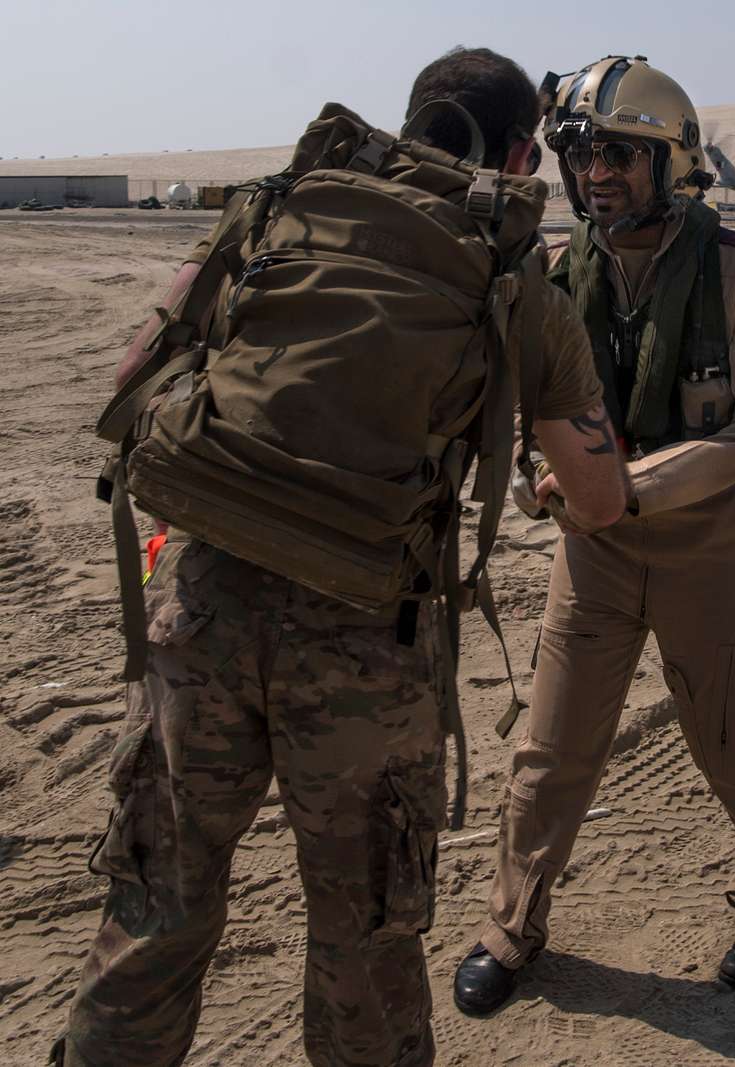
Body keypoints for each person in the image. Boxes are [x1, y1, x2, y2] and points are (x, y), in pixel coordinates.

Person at [55, 47, 626, 1067]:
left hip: (202, 609)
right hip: (369, 648)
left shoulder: (283, 210)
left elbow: (135, 379)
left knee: (155, 905)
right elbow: (597, 492)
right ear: (517, 150)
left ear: (413, 122)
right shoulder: (511, 275)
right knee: (362, 938)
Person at [452, 55, 735, 1014]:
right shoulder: (562, 274)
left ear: (671, 161)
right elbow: (542, 407)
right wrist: (543, 476)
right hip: (595, 547)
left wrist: (627, 487)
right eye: (581, 155)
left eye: (619, 153)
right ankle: (511, 922)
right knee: (552, 747)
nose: (597, 172)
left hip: (711, 543)